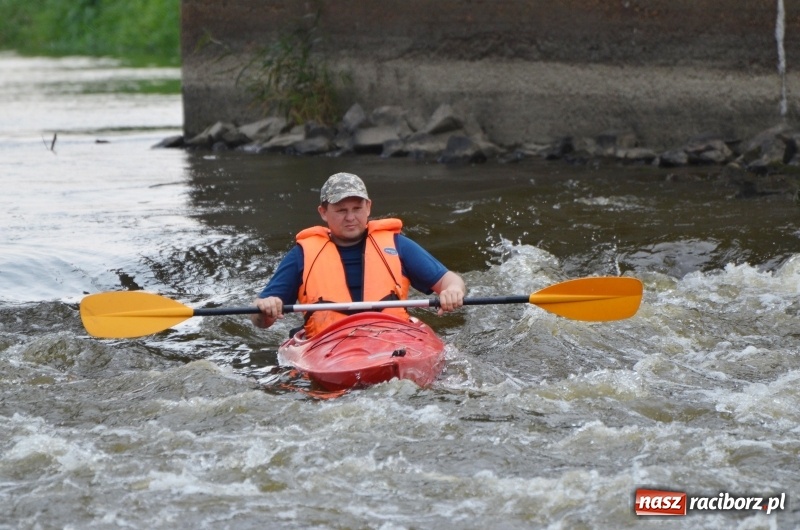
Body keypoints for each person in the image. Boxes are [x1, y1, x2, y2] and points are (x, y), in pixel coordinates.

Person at [251, 172, 466, 337]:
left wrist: (453, 291)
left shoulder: (397, 245)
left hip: (390, 339)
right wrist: (265, 308)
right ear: (323, 213)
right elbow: (260, 321)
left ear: (368, 207)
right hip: (328, 344)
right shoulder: (302, 255)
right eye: (341, 210)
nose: (351, 217)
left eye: (357, 208)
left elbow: (449, 279)